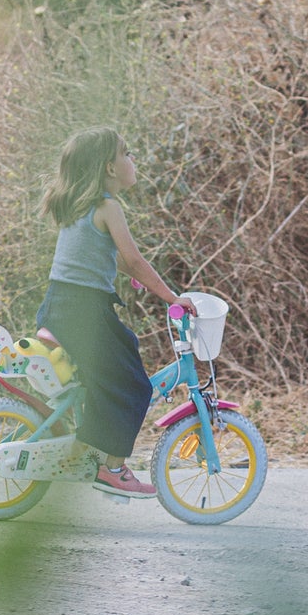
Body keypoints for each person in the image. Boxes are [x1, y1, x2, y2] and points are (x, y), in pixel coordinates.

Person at [35, 126, 196, 496]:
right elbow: (135, 260)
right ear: (110, 167)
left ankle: (86, 447)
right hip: (86, 314)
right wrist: (172, 298)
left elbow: (100, 255)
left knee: (124, 351)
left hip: (61, 306)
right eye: (128, 154)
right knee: (134, 386)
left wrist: (129, 274)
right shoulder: (109, 207)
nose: (132, 160)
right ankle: (114, 469)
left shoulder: (78, 204)